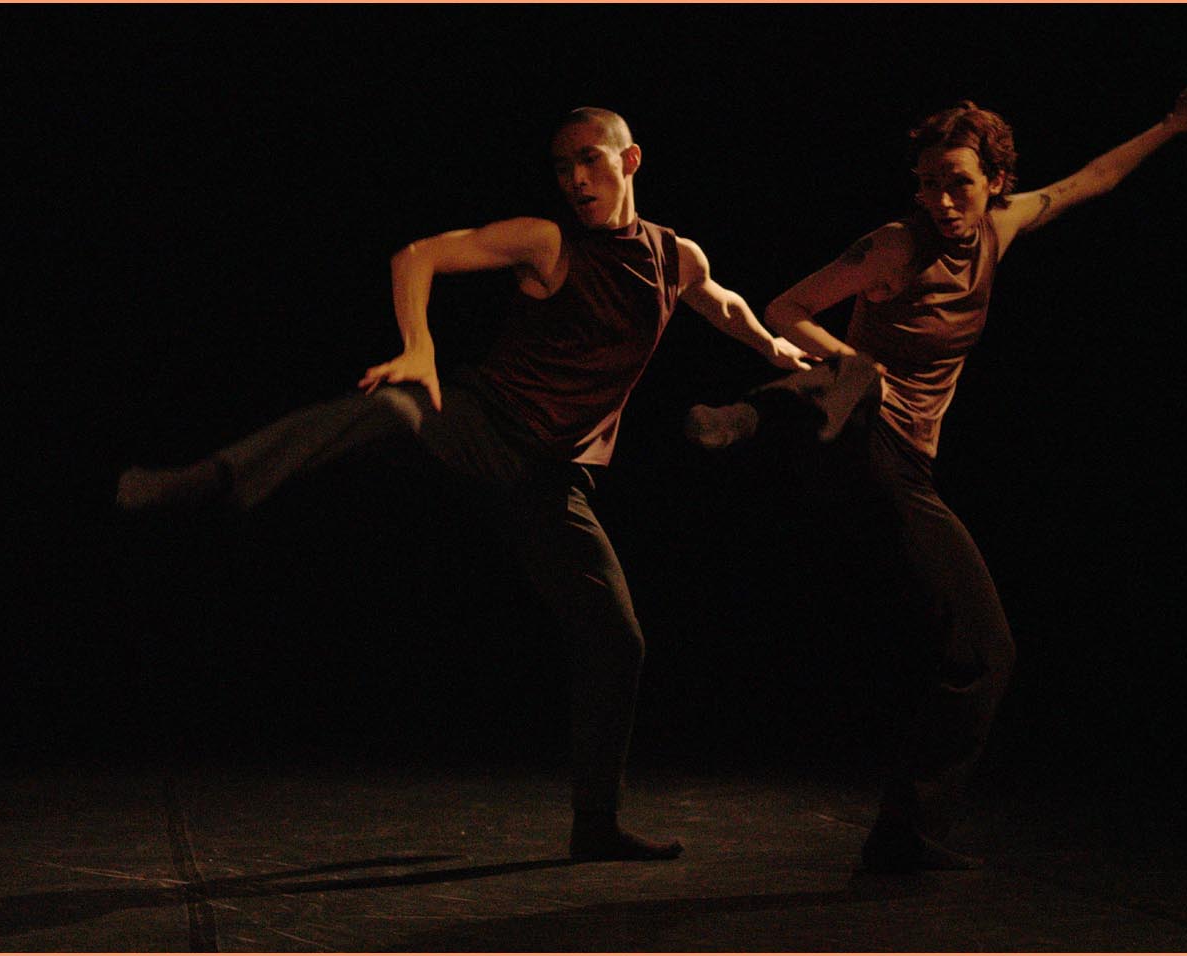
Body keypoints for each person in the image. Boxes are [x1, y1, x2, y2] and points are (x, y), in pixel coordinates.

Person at [116, 106, 811, 861]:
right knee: (389, 408)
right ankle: (204, 479)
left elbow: (721, 302)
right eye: (562, 167)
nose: (575, 180)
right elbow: (417, 256)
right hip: (482, 423)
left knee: (617, 640)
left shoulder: (675, 257)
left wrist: (773, 347)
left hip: (552, 478)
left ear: (630, 160)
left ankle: (595, 823)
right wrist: (418, 346)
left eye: (589, 160)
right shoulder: (547, 243)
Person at [687, 82, 1187, 872]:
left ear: (994, 182)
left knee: (983, 651)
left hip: (902, 467)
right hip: (853, 433)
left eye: (957, 183)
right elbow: (786, 308)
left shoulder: (1001, 225)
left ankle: (906, 833)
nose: (940, 200)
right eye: (928, 183)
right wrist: (848, 358)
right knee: (852, 385)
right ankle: (749, 416)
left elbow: (1092, 179)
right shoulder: (894, 245)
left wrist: (1171, 125)